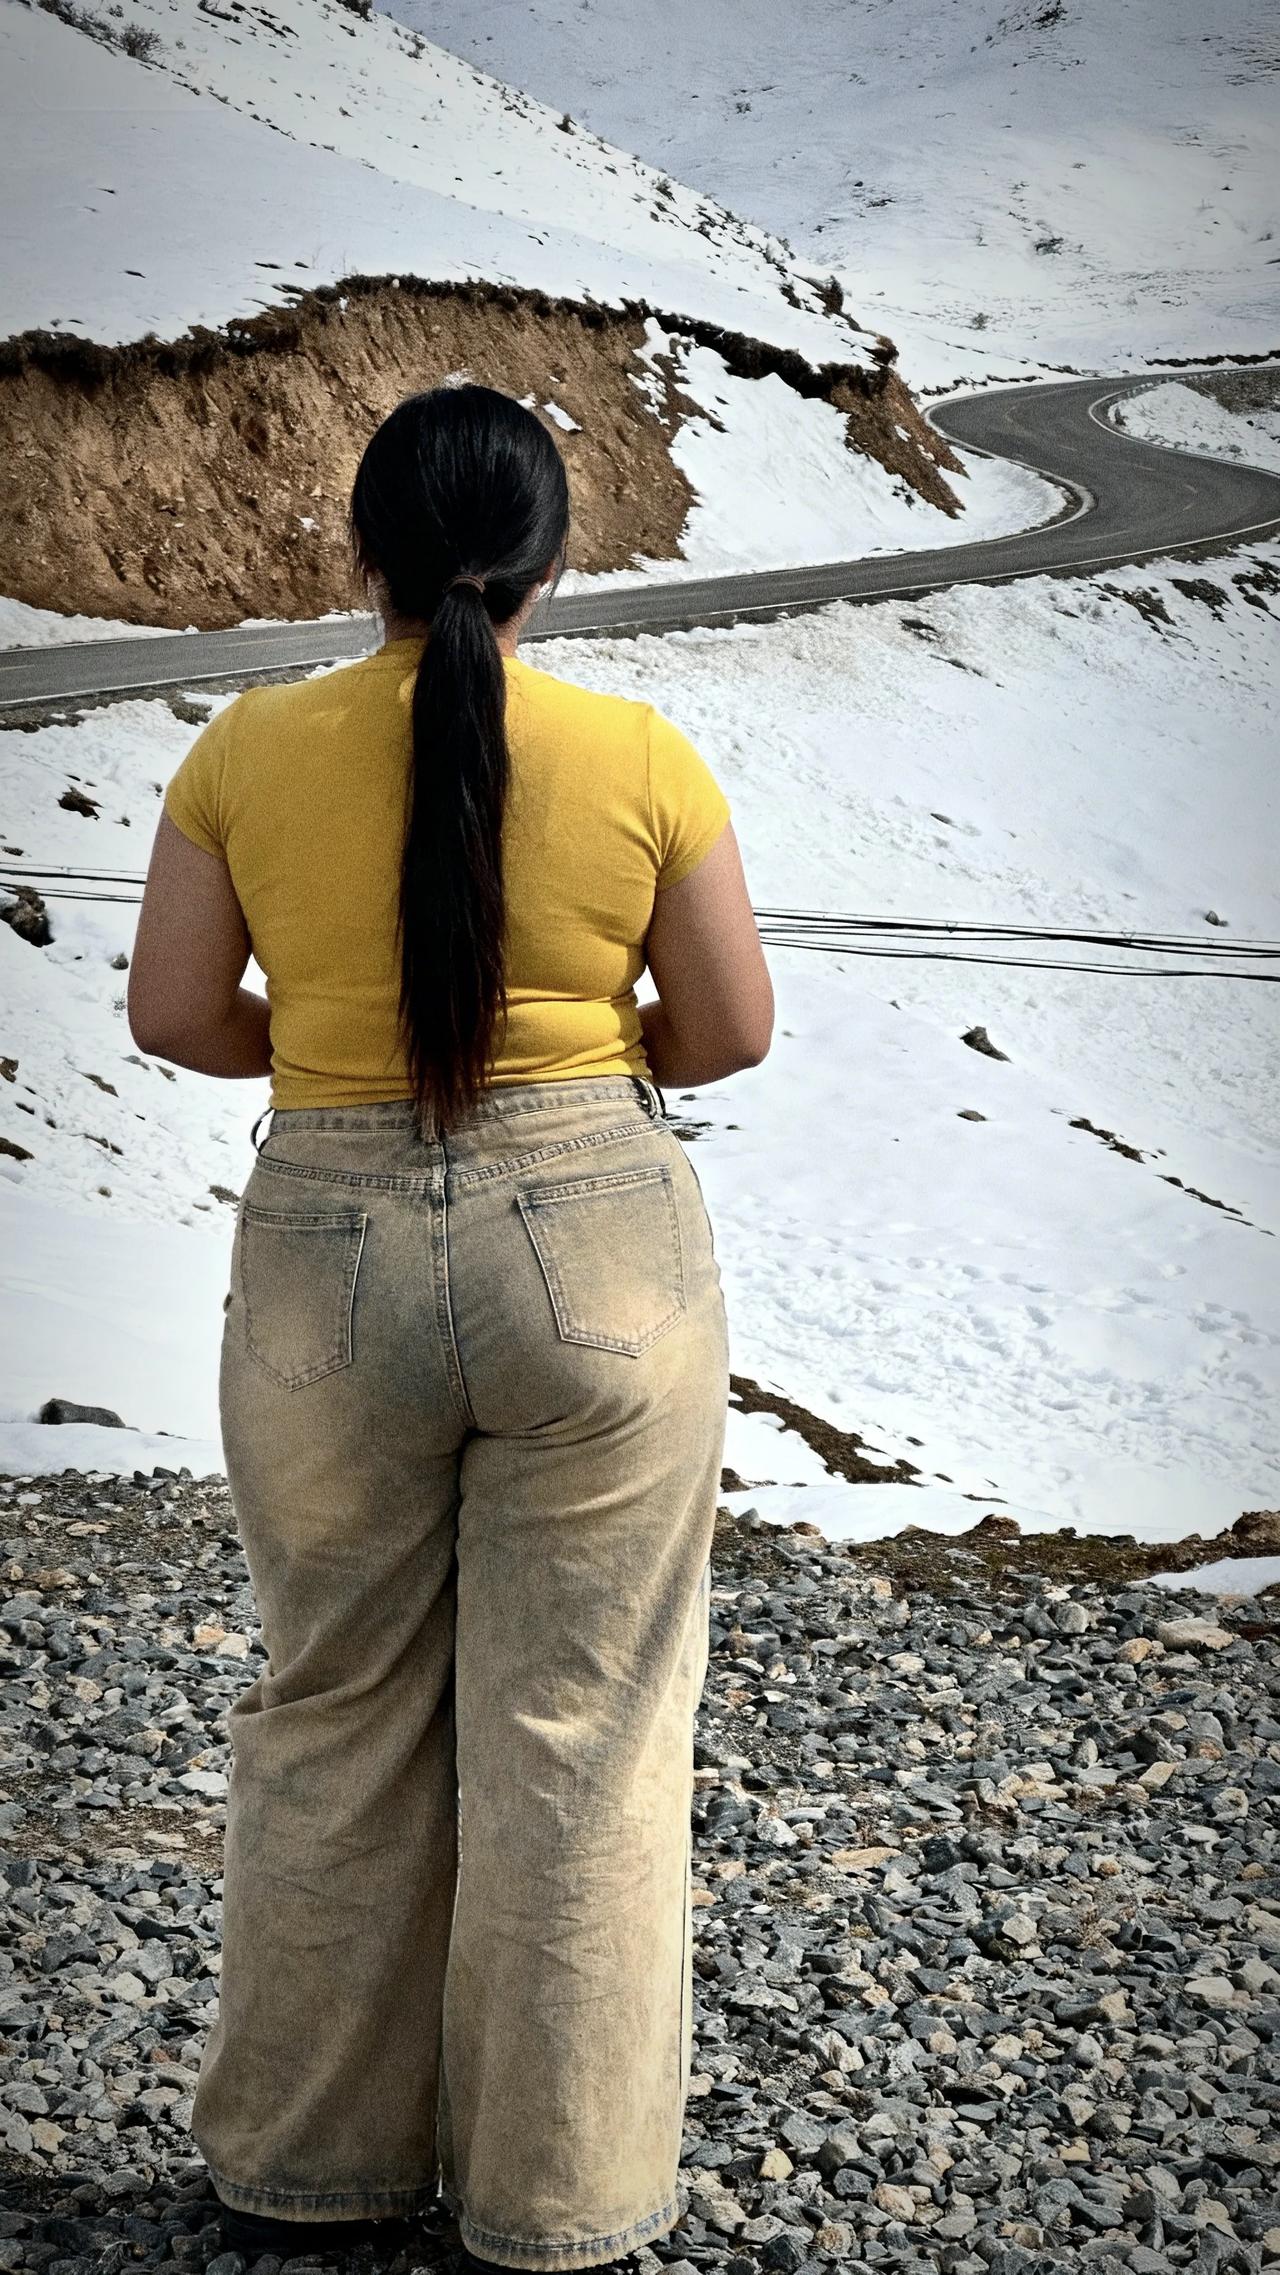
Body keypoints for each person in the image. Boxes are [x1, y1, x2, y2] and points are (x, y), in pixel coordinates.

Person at [127, 383, 774, 2275]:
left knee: (333, 1706)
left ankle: (301, 2177)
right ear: (552, 570)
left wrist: (337, 1057)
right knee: (578, 1733)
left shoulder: (247, 748)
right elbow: (729, 1031)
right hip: (596, 1238)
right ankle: (553, 2206)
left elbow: (174, 1009)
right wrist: (566, 1078)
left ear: (363, 556)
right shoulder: (641, 751)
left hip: (325, 1226)